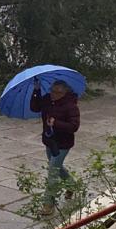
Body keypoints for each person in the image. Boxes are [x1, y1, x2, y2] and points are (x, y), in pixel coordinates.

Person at [29, 79, 80, 215]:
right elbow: (34, 107)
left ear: (65, 92)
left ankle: (48, 204)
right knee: (57, 167)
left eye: (58, 92)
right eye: (52, 90)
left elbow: (74, 126)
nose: (54, 94)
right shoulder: (47, 99)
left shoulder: (70, 106)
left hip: (62, 144)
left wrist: (56, 123)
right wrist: (36, 90)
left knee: (52, 172)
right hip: (49, 141)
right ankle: (72, 185)